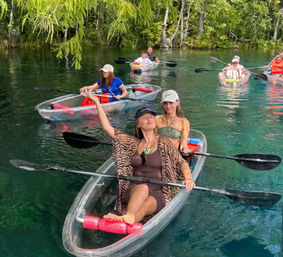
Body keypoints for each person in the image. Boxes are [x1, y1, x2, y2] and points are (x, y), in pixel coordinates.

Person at [83, 90, 195, 225]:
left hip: (159, 191)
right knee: (143, 188)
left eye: (151, 117)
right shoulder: (133, 143)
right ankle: (129, 215)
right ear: (138, 124)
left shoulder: (164, 142)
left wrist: (188, 178)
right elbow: (108, 128)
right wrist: (96, 101)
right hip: (135, 188)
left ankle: (125, 218)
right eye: (144, 117)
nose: (149, 119)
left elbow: (182, 163)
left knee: (146, 205)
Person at [155, 90, 191, 155]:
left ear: (177, 102)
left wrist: (185, 150)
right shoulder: (156, 119)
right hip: (157, 154)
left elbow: (184, 144)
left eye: (171, 103)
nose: (168, 106)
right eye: (165, 103)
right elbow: (151, 141)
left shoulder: (184, 122)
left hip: (174, 156)